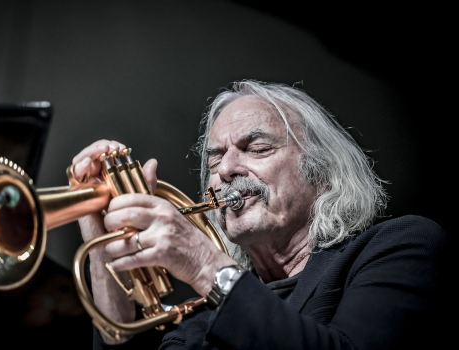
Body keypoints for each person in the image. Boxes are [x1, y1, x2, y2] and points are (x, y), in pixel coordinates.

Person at [70, 81, 446, 349]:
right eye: (215, 157)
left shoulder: (402, 245)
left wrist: (203, 264)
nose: (226, 169)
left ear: (321, 171)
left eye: (257, 148)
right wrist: (103, 242)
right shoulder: (202, 318)